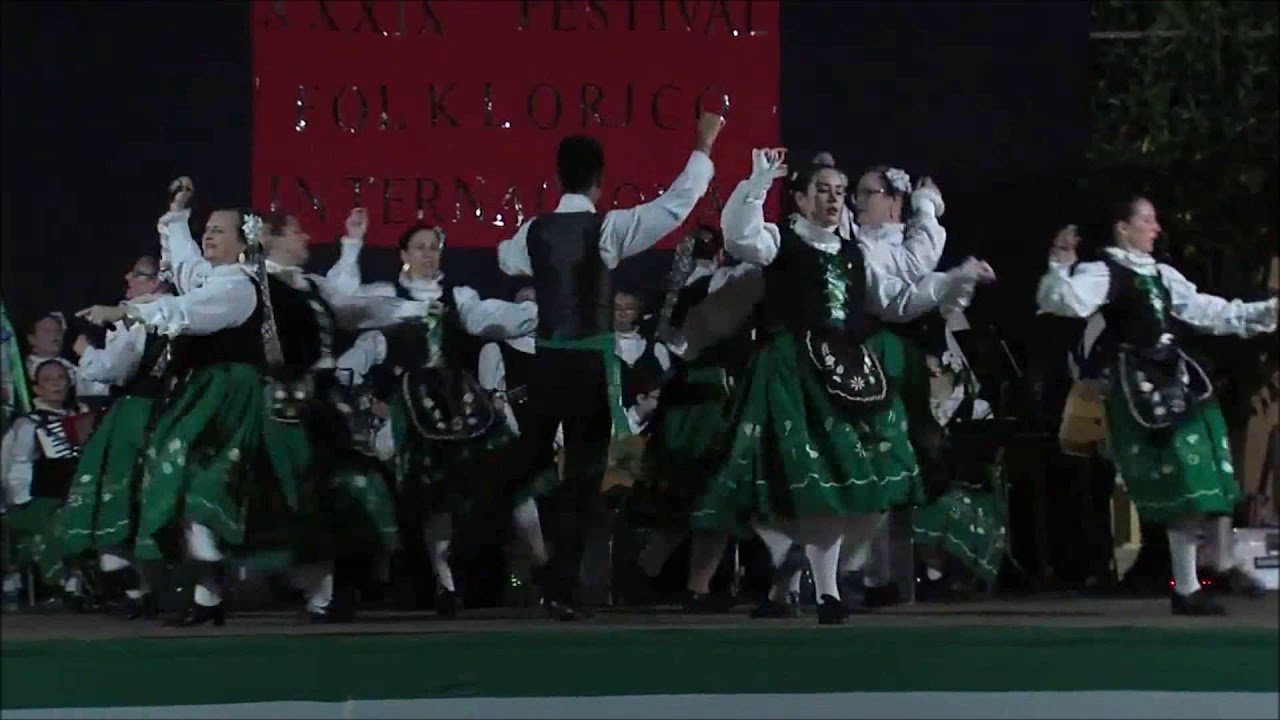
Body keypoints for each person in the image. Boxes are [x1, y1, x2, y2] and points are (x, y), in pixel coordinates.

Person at [697, 149, 996, 624]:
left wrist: (954, 279)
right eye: (823, 190)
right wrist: (756, 181)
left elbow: (896, 303)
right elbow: (740, 234)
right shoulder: (782, 242)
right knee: (801, 479)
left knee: (863, 471)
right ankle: (820, 590)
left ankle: (800, 583)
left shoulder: (854, 252)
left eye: (840, 192)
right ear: (798, 198)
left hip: (846, 369)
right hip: (790, 370)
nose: (834, 200)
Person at [490, 111, 724, 619]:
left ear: (558, 177)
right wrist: (702, 144)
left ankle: (487, 556)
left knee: (526, 465)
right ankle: (560, 587)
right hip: (589, 369)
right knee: (583, 477)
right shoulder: (609, 228)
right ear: (600, 181)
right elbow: (676, 204)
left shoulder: (533, 230)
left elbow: (509, 260)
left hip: (547, 365)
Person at [1036, 195, 1277, 615]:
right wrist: (1059, 264)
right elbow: (1064, 302)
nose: (1155, 228)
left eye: (1154, 220)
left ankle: (1212, 566)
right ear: (1122, 229)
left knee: (1211, 471)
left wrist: (1267, 312)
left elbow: (1208, 312)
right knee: (1181, 476)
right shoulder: (1105, 272)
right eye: (1146, 220)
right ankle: (1190, 582)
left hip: (1178, 379)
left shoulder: (1162, 274)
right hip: (1141, 387)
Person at [631, 224, 763, 611]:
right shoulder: (724, 284)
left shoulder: (676, 292)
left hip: (682, 398)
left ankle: (644, 573)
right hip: (713, 396)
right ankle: (697, 587)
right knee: (717, 492)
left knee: (679, 498)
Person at [60, 255, 176, 619]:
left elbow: (115, 369)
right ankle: (140, 587)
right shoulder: (174, 314)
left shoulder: (137, 317)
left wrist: (83, 352)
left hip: (134, 413)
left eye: (138, 274)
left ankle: (137, 589)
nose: (128, 277)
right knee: (137, 500)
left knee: (116, 497)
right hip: (159, 410)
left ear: (157, 282)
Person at [1, 360, 93, 605]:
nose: (56, 383)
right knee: (56, 520)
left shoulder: (83, 417)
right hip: (40, 499)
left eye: (61, 378)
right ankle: (66, 582)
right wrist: (22, 501)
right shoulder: (28, 425)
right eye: (48, 380)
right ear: (37, 388)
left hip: (77, 495)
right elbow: (16, 468)